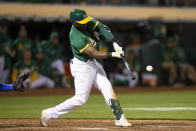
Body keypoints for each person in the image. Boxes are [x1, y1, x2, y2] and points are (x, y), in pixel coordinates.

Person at [40, 9, 132, 127]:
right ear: (75, 23)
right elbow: (94, 53)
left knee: (107, 87)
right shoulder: (75, 36)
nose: (86, 23)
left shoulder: (86, 21)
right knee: (80, 99)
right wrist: (113, 54)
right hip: (82, 66)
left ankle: (120, 118)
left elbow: (103, 28)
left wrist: (115, 42)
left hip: (92, 63)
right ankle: (48, 113)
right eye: (82, 22)